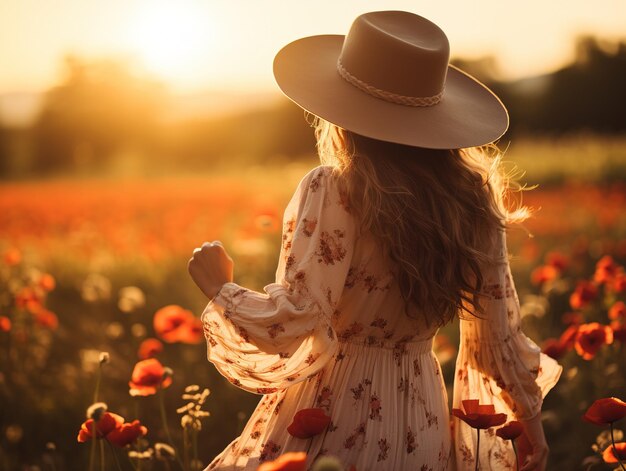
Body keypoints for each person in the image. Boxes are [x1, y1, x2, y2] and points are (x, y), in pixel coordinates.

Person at [188, 11, 563, 471]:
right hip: (420, 417)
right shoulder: (472, 201)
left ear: (341, 110)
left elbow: (299, 319)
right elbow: (497, 339)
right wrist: (530, 423)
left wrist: (221, 289)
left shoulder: (334, 188)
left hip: (334, 410)